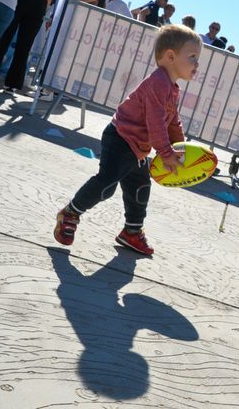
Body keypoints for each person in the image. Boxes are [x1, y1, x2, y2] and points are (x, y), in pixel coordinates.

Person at [53, 25, 201, 256]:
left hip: (138, 147)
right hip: (121, 138)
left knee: (139, 188)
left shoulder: (171, 87)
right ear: (171, 56)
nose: (197, 63)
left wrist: (180, 148)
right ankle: (70, 213)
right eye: (192, 57)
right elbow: (155, 122)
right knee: (107, 185)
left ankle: (132, 231)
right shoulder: (158, 82)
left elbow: (172, 121)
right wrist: (166, 152)